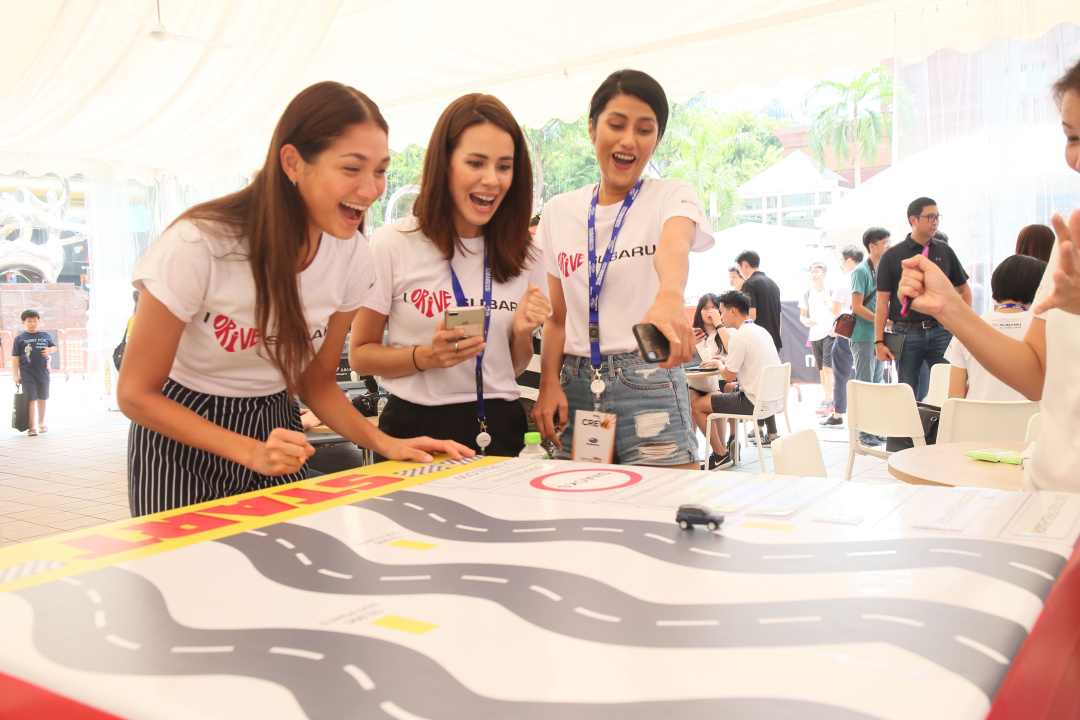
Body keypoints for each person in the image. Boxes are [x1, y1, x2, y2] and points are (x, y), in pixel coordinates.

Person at [119, 82, 472, 517]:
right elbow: (135, 393)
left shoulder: (353, 256)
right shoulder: (199, 243)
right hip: (181, 433)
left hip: (277, 427)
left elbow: (315, 381)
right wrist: (249, 451)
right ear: (292, 162)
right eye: (351, 168)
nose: (370, 189)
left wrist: (386, 443)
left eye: (380, 171)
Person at [896, 56, 1080, 492]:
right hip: (1048, 490)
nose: (1075, 157)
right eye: (1072, 136)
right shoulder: (1069, 242)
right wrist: (950, 309)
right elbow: (1037, 374)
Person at [350, 94, 549, 458]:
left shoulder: (525, 251)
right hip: (415, 432)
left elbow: (512, 367)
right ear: (444, 165)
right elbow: (360, 355)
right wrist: (425, 357)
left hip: (500, 428)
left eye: (504, 166)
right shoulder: (393, 244)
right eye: (476, 163)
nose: (491, 180)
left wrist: (522, 333)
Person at [532, 69, 714, 468]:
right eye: (616, 125)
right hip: (575, 384)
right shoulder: (559, 212)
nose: (629, 140)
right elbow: (557, 317)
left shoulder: (671, 195)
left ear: (656, 139)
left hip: (649, 375)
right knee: (577, 502)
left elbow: (675, 246)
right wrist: (547, 384)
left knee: (664, 502)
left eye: (644, 130)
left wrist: (669, 296)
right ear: (592, 128)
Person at [874, 197, 970, 397]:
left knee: (949, 388)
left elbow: (964, 290)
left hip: (941, 331)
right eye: (930, 217)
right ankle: (912, 420)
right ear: (914, 220)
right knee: (908, 392)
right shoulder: (892, 255)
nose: (935, 222)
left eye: (937, 217)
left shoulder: (944, 251)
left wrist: (962, 325)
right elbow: (882, 302)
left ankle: (944, 419)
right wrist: (879, 341)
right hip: (906, 332)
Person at [689, 290, 782, 470]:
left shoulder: (739, 336)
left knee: (696, 406)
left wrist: (718, 363)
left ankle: (720, 455)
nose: (720, 316)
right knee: (728, 388)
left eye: (721, 310)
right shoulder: (760, 330)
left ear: (732, 311)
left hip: (752, 402)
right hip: (772, 399)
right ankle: (731, 439)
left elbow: (728, 376)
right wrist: (723, 361)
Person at [944, 254, 1046, 401]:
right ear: (1038, 290)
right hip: (1032, 416)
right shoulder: (1045, 330)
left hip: (977, 416)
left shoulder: (967, 328)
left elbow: (955, 398)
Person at [849, 227, 890, 446]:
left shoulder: (882, 269)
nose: (888, 246)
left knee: (877, 383)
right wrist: (880, 320)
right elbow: (857, 307)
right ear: (872, 246)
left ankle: (874, 427)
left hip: (877, 335)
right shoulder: (861, 271)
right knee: (866, 384)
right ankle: (864, 431)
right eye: (885, 243)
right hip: (863, 335)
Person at [819, 246, 860, 430]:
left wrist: (827, 303)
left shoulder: (844, 280)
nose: (841, 264)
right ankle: (868, 417)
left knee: (841, 375)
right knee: (869, 376)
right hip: (868, 330)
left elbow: (835, 309)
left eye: (842, 260)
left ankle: (838, 415)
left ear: (849, 260)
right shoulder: (871, 276)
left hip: (847, 331)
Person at [12, 309, 56, 436]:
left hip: (43, 372)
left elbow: (53, 347)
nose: (33, 324)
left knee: (42, 397)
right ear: (23, 322)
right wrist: (15, 375)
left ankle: (41, 422)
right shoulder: (20, 338)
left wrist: (49, 350)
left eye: (35, 321)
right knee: (31, 398)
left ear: (39, 321)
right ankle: (32, 426)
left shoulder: (45, 335)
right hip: (27, 373)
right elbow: (15, 358)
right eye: (29, 321)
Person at [798, 261, 835, 416]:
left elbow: (841, 310)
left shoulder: (832, 290)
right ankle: (828, 398)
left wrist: (836, 328)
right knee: (821, 369)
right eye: (812, 272)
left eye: (817, 271)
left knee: (828, 368)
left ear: (824, 273)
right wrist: (805, 321)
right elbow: (802, 315)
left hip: (830, 333)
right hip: (815, 334)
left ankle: (828, 399)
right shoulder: (807, 292)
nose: (814, 274)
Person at [736, 250, 782, 350]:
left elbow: (751, 316)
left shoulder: (749, 284)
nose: (740, 273)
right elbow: (779, 315)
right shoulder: (773, 284)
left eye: (739, 268)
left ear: (744, 264)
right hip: (774, 340)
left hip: (759, 341)